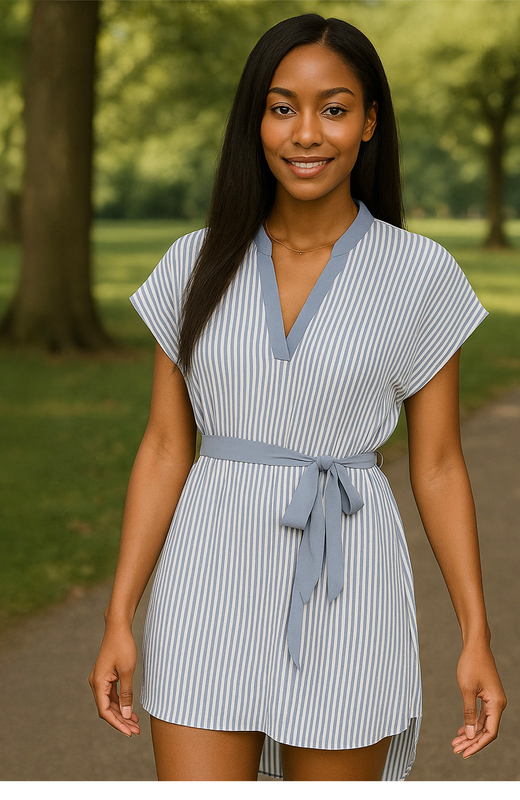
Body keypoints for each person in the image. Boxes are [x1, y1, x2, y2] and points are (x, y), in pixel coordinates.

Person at [88, 13, 506, 781]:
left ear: (369, 122)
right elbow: (163, 446)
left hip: (351, 586)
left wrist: (474, 634)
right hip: (206, 578)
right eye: (282, 108)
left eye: (333, 108)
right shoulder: (193, 262)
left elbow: (439, 465)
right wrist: (120, 615)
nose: (305, 133)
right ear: (257, 121)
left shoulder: (418, 274)